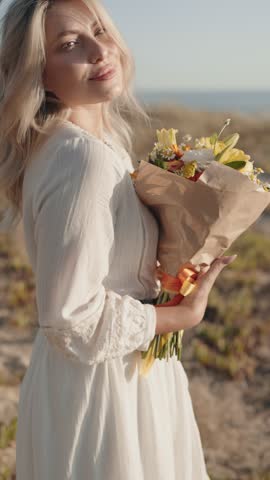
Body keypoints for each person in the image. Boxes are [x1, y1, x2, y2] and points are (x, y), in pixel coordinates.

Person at [0, 0, 237, 478]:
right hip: (104, 392)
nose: (99, 49)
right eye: (70, 45)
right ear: (39, 74)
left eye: (99, 30)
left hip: (107, 376)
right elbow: (69, 318)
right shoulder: (79, 160)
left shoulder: (95, 144)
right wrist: (179, 315)